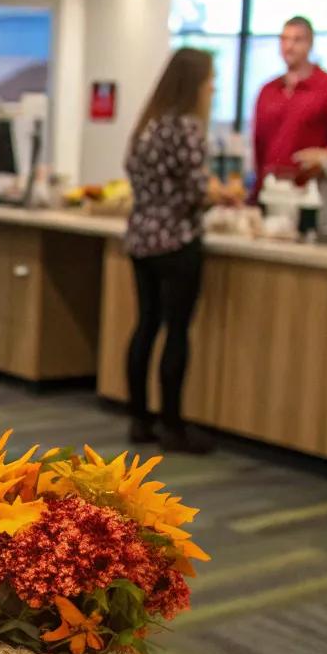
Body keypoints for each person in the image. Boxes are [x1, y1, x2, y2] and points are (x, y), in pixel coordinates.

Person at [124, 47, 215, 455]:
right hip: (177, 240)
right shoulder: (187, 128)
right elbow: (198, 190)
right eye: (210, 81)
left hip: (141, 238)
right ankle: (173, 424)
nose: (212, 89)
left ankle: (140, 419)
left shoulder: (149, 125)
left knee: (146, 326)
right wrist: (224, 194)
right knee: (176, 330)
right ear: (194, 83)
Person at [253, 16, 327, 189]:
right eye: (284, 39)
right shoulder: (268, 90)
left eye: (297, 40)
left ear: (310, 44)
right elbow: (258, 147)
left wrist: (325, 157)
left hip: (312, 193)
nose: (289, 46)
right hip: (269, 190)